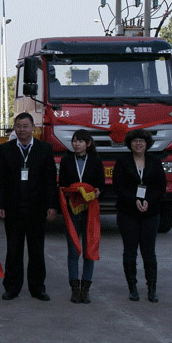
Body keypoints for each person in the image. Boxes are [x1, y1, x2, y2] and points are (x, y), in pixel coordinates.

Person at [0, 113, 58, 301]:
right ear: (14, 128)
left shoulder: (44, 149)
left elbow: (50, 181)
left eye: (25, 126)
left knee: (36, 250)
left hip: (37, 209)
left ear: (33, 128)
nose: (22, 129)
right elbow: (0, 180)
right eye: (18, 126)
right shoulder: (5, 149)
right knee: (13, 250)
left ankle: (37, 288)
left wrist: (52, 206)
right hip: (13, 209)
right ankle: (12, 287)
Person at [113, 129, 166, 302]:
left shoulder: (155, 162)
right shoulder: (122, 162)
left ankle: (152, 288)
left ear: (147, 144)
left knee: (149, 252)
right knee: (130, 251)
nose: (138, 144)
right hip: (128, 212)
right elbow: (118, 186)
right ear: (130, 144)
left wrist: (148, 200)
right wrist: (134, 200)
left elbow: (160, 187)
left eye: (142, 141)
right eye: (135, 141)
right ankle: (132, 287)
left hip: (150, 212)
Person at [58, 129, 105, 304]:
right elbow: (62, 184)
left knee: (89, 250)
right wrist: (68, 191)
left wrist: (98, 191)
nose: (76, 144)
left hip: (90, 210)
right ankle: (74, 288)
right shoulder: (66, 161)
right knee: (73, 251)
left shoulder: (96, 162)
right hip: (72, 210)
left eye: (80, 141)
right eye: (74, 141)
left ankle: (85, 289)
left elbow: (101, 184)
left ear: (88, 143)